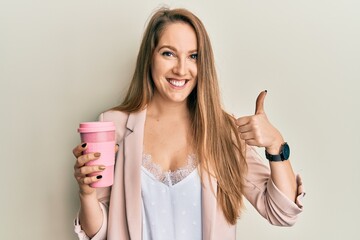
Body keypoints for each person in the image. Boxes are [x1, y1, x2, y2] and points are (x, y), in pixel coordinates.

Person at [73, 7, 304, 240]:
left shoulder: (223, 131)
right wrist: (86, 193)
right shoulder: (114, 126)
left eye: (193, 56)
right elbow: (101, 233)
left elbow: (282, 213)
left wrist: (275, 144)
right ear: (149, 57)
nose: (181, 69)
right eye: (168, 53)